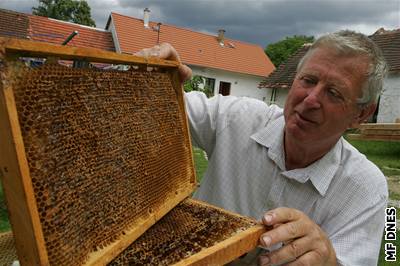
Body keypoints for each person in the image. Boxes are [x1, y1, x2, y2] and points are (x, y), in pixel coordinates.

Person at [136, 30, 388, 265]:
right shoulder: (236, 117)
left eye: (333, 93)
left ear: (362, 114)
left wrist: (329, 259)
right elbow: (154, 109)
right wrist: (150, 79)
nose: (311, 99)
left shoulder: (366, 189)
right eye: (308, 80)